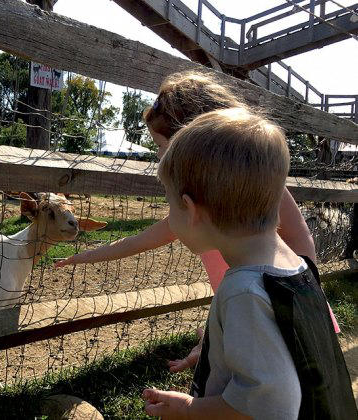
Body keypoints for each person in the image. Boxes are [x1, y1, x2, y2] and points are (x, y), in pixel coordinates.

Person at [55, 71, 339, 372]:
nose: (161, 158)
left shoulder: (256, 184)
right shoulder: (199, 208)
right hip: (250, 314)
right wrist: (86, 256)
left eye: (162, 147)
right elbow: (144, 239)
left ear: (191, 142)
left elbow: (300, 237)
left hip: (286, 314)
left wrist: (301, 296)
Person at [141, 108, 355, 419]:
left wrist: (189, 409)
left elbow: (269, 402)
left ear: (191, 210)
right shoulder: (296, 266)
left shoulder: (244, 291)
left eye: (169, 202)